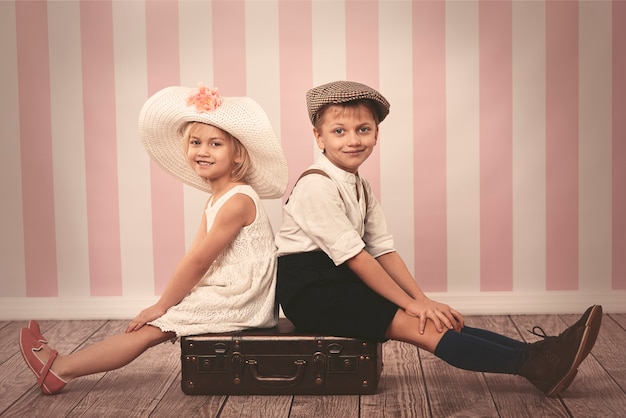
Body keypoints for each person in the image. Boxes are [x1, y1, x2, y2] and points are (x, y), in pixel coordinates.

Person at [275, 80, 602, 397]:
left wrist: (423, 301)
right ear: (319, 137)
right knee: (423, 328)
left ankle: (541, 353)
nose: (353, 140)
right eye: (339, 131)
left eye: (364, 129)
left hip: (341, 280)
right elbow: (356, 257)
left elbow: (383, 250)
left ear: (376, 133)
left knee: (437, 319)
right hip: (312, 292)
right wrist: (412, 306)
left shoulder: (358, 184)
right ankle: (535, 366)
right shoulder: (316, 186)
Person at [19, 83, 288, 395]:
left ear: (238, 154)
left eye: (215, 144)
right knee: (155, 321)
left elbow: (198, 262)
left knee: (149, 329)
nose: (202, 151)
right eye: (196, 142)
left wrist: (162, 305)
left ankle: (60, 369)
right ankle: (60, 368)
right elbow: (196, 253)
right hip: (228, 287)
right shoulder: (217, 198)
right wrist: (177, 297)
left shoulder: (239, 200)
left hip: (243, 298)